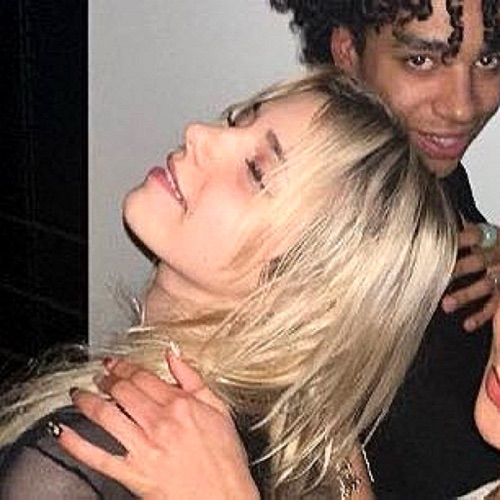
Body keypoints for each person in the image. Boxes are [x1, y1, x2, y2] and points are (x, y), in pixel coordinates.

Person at [0, 67, 457, 498]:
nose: (199, 134)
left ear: (302, 286)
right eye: (236, 119)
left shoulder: (76, 466)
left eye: (257, 172)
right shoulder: (296, 435)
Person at [268, 0, 500, 497]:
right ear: (347, 53)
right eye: (421, 60)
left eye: (487, 60)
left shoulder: (425, 173)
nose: (462, 106)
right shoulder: (299, 224)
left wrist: (492, 242)